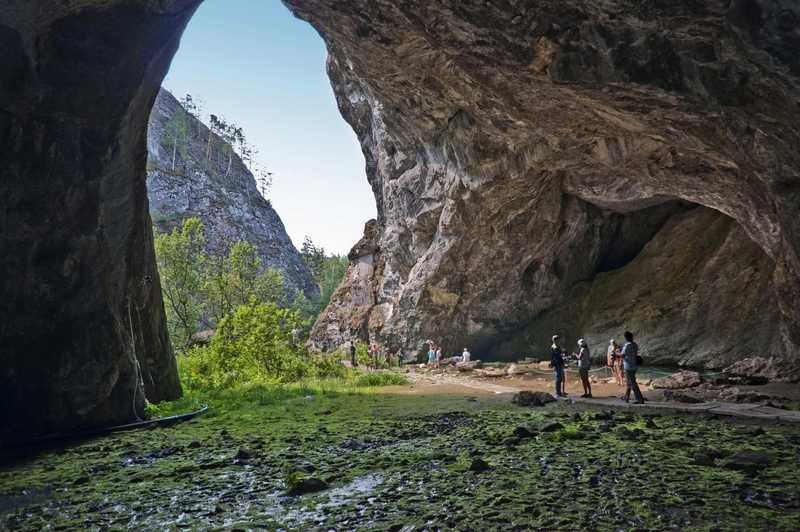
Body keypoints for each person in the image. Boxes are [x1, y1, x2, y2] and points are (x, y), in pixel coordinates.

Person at [620, 331, 644, 404]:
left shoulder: (627, 345)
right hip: (634, 365)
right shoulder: (635, 344)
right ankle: (626, 397)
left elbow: (622, 355)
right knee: (629, 382)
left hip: (628, 366)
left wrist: (616, 353)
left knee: (632, 383)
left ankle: (640, 399)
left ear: (626, 338)